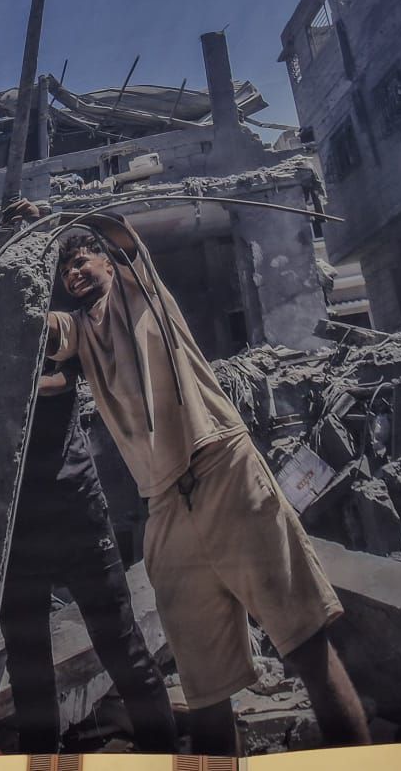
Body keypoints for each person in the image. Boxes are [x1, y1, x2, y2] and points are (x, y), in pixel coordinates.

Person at [25, 203, 371, 756]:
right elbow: (30, 324)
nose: (75, 272)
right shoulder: (76, 332)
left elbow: (118, 230)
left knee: (306, 648)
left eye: (83, 257)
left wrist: (68, 213)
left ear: (111, 264)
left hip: (222, 469)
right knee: (204, 689)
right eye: (65, 269)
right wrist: (27, 242)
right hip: (163, 504)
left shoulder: (144, 295)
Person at [0, 248, 177, 753]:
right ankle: (44, 758)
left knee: (120, 642)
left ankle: (166, 753)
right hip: (17, 523)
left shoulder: (67, 340)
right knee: (27, 657)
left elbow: (48, 384)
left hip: (76, 512)